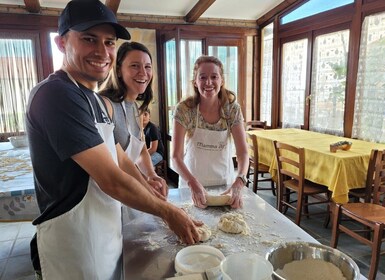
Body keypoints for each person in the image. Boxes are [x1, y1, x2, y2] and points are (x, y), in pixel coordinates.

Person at [26, 1, 201, 279]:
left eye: (109, 42)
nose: (101, 51)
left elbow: (120, 158)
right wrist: (167, 212)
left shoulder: (95, 100)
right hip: (74, 243)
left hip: (104, 232)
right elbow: (110, 178)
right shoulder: (56, 95)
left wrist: (150, 187)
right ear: (61, 43)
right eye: (88, 39)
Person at [171, 55, 249, 209]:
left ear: (222, 80)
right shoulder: (185, 110)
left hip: (224, 187)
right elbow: (175, 157)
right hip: (191, 186)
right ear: (195, 81)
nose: (208, 82)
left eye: (214, 77)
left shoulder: (231, 109)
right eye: (202, 77)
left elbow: (243, 153)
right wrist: (192, 183)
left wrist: (239, 181)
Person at [99, 41, 167, 197]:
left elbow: (142, 151)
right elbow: (119, 161)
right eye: (135, 66)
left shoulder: (135, 108)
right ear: (118, 71)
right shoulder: (105, 105)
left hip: (129, 193)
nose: (143, 73)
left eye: (148, 66)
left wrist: (151, 175)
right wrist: (146, 188)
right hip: (107, 194)